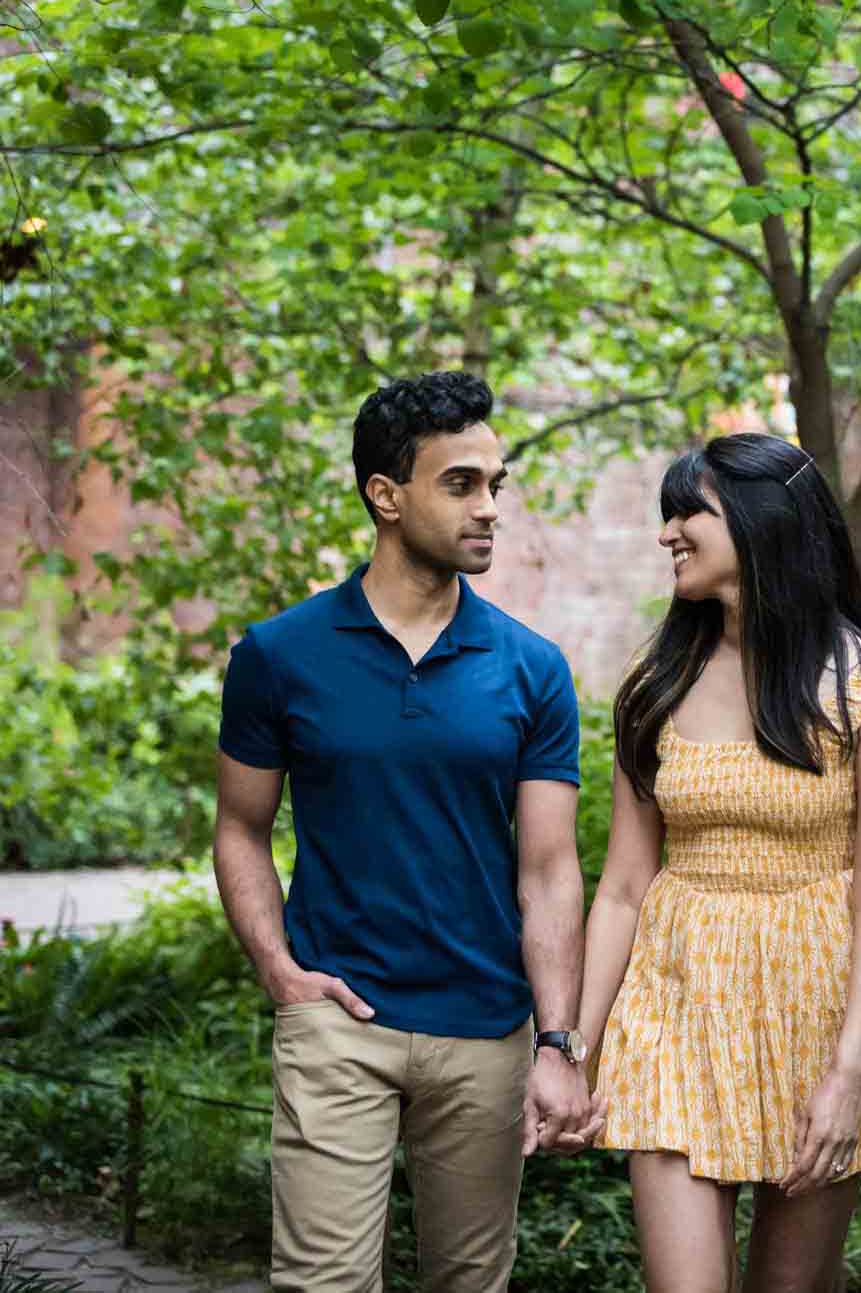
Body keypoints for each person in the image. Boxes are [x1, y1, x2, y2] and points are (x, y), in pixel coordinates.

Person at [213, 371, 598, 1291]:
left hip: (485, 1031)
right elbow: (239, 828)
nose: (489, 508)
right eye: (460, 483)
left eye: (495, 485)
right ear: (385, 495)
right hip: (339, 1021)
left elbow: (549, 872)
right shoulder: (278, 656)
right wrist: (280, 973)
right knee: (321, 1283)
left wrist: (557, 1042)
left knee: (472, 1281)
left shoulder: (533, 670)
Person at [580, 434, 861, 1293]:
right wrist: (572, 1047)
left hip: (821, 1011)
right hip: (678, 1001)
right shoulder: (654, 683)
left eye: (689, 513)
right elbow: (624, 885)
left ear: (760, 522)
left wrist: (850, 1073)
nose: (668, 532)